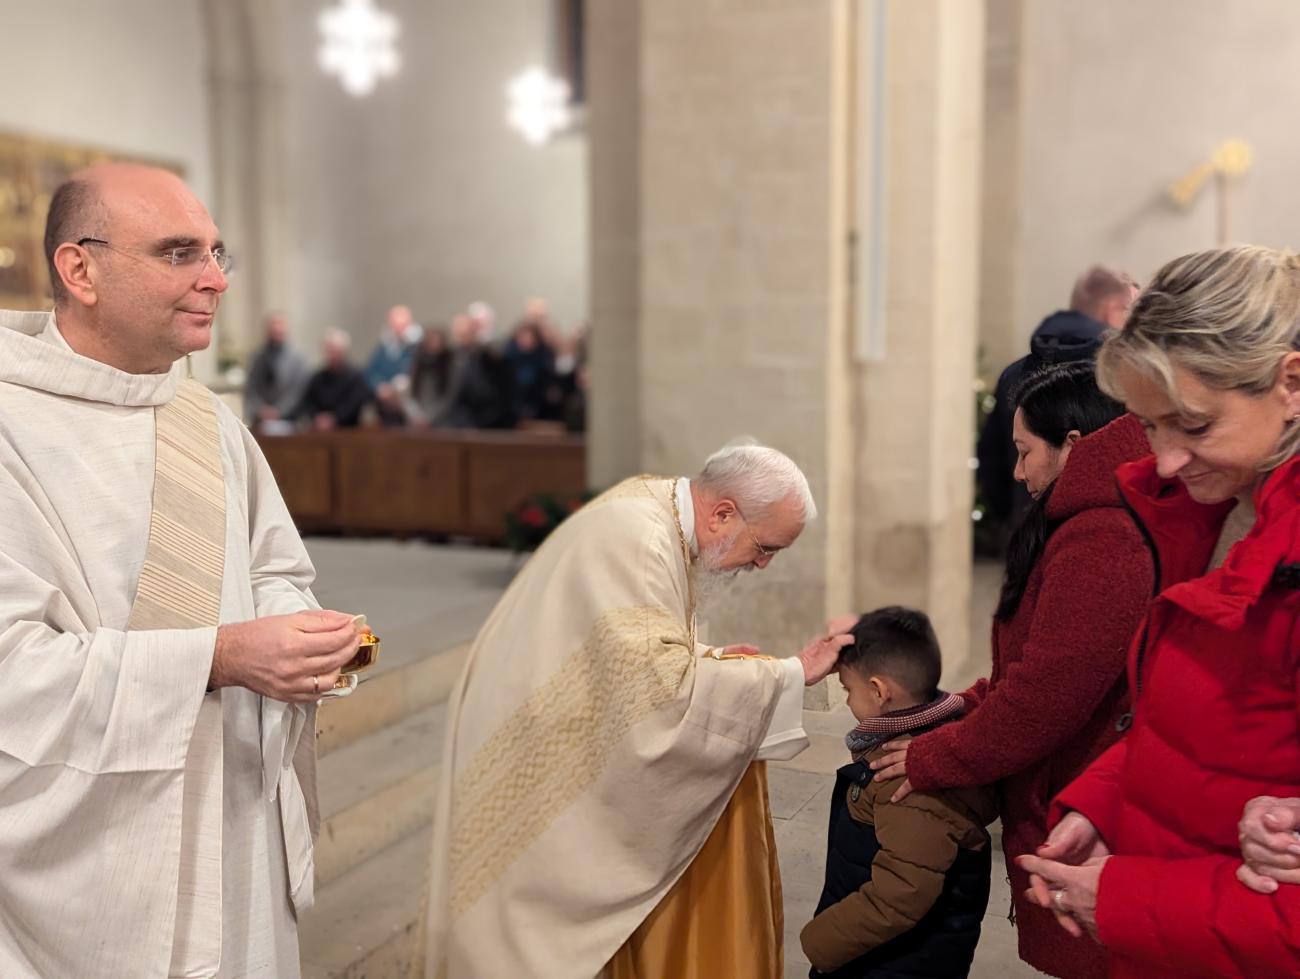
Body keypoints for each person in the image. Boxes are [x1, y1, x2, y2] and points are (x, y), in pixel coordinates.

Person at [0, 163, 363, 977]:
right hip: (92, 854)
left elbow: (274, 564)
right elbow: (10, 670)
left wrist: (302, 633)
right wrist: (223, 655)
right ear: (78, 269)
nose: (215, 278)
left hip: (231, 806)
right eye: (178, 253)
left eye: (216, 251)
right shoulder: (9, 429)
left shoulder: (203, 415)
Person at [422, 440, 854, 978]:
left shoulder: (650, 512)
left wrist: (709, 660)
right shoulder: (644, 540)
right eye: (766, 547)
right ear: (723, 513)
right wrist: (792, 674)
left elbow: (624, 650)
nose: (762, 565)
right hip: (540, 749)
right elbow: (659, 696)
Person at [1019, 245, 1300, 979]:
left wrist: (1122, 896)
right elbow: (1198, 727)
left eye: (1195, 425)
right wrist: (1108, 802)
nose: (1167, 460)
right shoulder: (1215, 504)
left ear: (1291, 384)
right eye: (1150, 425)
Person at [871, 361, 1149, 978]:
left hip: (1086, 801)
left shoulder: (1104, 538)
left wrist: (936, 756)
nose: (1018, 472)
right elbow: (1034, 665)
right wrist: (959, 706)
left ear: (1074, 445)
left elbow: (1046, 697)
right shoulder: (1086, 521)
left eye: (1025, 452)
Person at [800, 607, 996, 978]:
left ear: (878, 691)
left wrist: (820, 941)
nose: (846, 701)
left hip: (892, 960)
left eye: (848, 689)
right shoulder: (936, 738)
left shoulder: (905, 776)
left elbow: (901, 895)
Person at [977, 266, 1139, 534]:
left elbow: (991, 458)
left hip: (1025, 528)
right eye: (1133, 313)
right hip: (1103, 531)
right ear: (1113, 310)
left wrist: (1014, 518)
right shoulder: (1123, 378)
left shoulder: (1014, 373)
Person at [243, 311, 311, 429]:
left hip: (289, 421)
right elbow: (251, 388)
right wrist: (261, 409)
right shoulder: (257, 358)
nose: (276, 336)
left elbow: (297, 391)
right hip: (260, 421)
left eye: (279, 332)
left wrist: (278, 411)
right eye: (273, 332)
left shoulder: (297, 359)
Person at [298, 328, 371, 429]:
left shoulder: (356, 377)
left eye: (335, 351)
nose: (332, 355)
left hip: (348, 432)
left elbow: (354, 404)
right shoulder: (318, 378)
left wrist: (334, 418)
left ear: (343, 352)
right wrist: (317, 418)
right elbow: (308, 402)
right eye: (329, 351)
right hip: (319, 431)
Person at [406, 325, 455, 426]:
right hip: (417, 419)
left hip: (441, 421)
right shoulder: (418, 363)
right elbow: (410, 393)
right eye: (431, 341)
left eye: (437, 341)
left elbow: (449, 398)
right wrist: (415, 414)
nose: (434, 345)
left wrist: (429, 418)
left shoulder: (450, 365)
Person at [364, 303, 417, 390]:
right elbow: (371, 373)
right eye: (395, 325)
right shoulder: (383, 348)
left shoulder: (419, 348)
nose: (399, 330)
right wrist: (380, 386)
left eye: (402, 325)